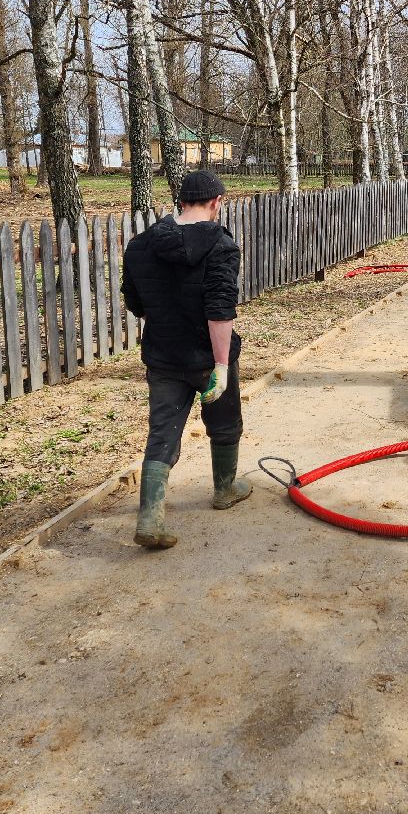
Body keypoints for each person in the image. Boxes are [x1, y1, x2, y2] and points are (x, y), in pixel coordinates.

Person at [121, 170, 253, 549]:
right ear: (216, 203)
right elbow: (219, 311)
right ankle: (225, 489)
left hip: (162, 356)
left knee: (162, 431)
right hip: (207, 360)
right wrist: (223, 366)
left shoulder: (141, 245)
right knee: (224, 421)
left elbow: (135, 303)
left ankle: (150, 518)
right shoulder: (221, 246)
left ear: (180, 202)